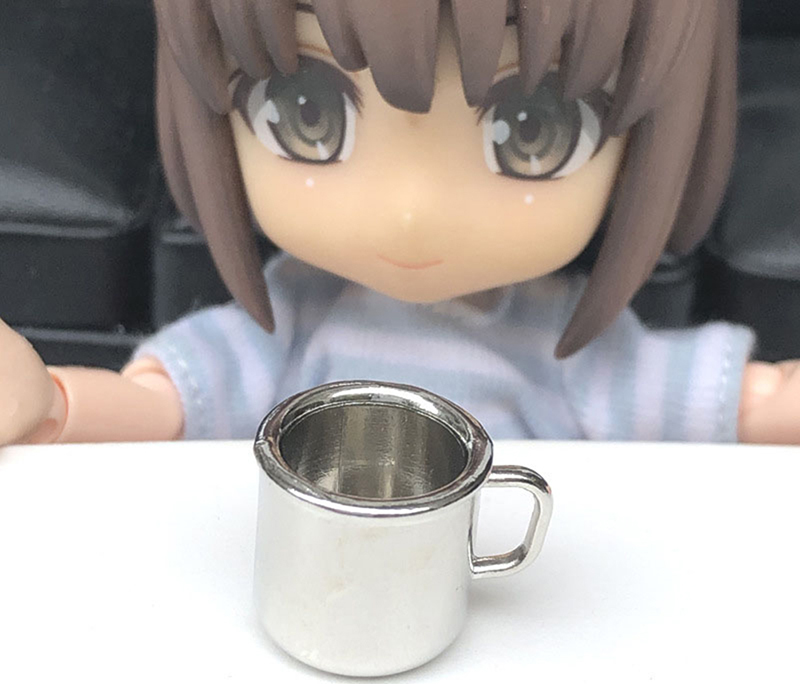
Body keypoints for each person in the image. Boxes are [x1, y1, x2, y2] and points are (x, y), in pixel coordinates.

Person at [1, 0, 798, 446]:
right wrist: (51, 403)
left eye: (532, 130)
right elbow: (160, 406)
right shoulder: (291, 326)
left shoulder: (568, 356)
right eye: (305, 112)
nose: (411, 212)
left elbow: (744, 404)